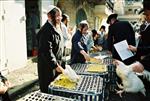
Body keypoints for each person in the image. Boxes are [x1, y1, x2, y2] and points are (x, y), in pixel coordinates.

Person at [36, 5, 65, 93]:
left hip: (56, 65)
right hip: (48, 68)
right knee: (48, 90)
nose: (59, 18)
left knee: (56, 89)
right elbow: (46, 52)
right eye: (57, 16)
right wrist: (56, 66)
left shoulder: (57, 27)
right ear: (49, 16)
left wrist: (62, 63)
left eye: (60, 15)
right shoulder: (45, 31)